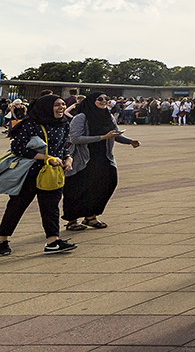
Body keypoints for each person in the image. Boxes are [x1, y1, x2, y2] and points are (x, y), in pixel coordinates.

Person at [0, 95, 78, 256]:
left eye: (63, 104)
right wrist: (46, 158)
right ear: (46, 106)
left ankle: (52, 242)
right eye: (57, 105)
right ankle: (2, 240)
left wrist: (68, 158)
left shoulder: (63, 124)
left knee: (51, 208)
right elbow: (18, 148)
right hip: (30, 173)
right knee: (16, 207)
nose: (62, 107)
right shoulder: (31, 124)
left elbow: (64, 147)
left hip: (52, 172)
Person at [63, 94, 139, 231]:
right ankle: (72, 220)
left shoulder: (107, 116)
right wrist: (102, 137)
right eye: (100, 99)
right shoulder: (81, 117)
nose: (104, 101)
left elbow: (115, 134)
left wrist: (129, 141)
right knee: (77, 189)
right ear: (92, 101)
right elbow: (75, 138)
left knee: (107, 183)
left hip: (103, 157)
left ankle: (91, 216)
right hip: (83, 158)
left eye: (106, 99)